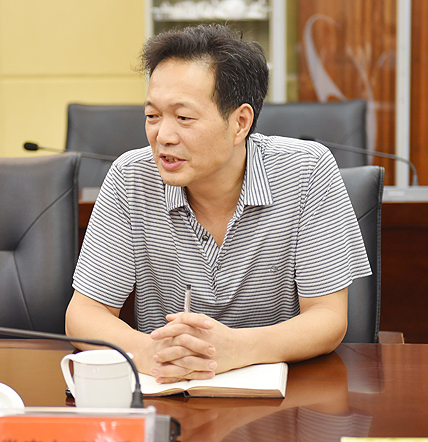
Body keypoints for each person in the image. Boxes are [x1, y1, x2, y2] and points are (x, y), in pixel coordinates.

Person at [65, 24, 371, 384]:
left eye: (184, 117)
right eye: (152, 116)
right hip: (168, 391)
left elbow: (328, 317)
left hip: (283, 400)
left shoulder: (307, 170)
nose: (163, 136)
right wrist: (149, 352)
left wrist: (236, 349)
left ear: (240, 123)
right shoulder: (131, 177)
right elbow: (85, 312)